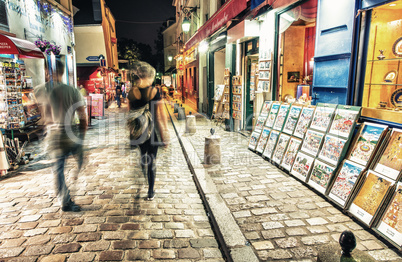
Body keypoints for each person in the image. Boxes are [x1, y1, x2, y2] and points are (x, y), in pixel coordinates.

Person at [34, 59, 87, 212]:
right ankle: (73, 186)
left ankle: (64, 200)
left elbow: (42, 116)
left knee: (58, 169)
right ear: (63, 72)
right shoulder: (72, 91)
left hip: (52, 134)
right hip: (70, 132)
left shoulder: (39, 90)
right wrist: (81, 138)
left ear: (46, 70)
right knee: (80, 163)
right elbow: (83, 116)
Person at [127, 61, 169, 200]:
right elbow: (160, 116)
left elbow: (130, 115)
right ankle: (151, 191)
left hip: (139, 133)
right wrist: (164, 135)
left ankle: (143, 172)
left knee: (143, 156)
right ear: (149, 76)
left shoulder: (132, 92)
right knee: (152, 161)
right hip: (152, 134)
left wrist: (132, 134)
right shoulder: (154, 92)